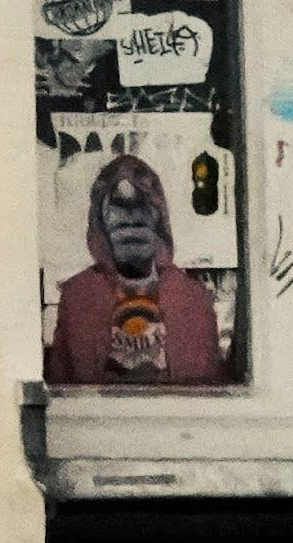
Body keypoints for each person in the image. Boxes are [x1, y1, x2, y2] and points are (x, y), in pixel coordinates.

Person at [48, 149, 228, 385]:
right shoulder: (77, 297)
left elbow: (207, 395)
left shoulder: (193, 300)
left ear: (158, 221)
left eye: (142, 209)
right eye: (120, 212)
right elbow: (62, 392)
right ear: (100, 225)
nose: (131, 221)